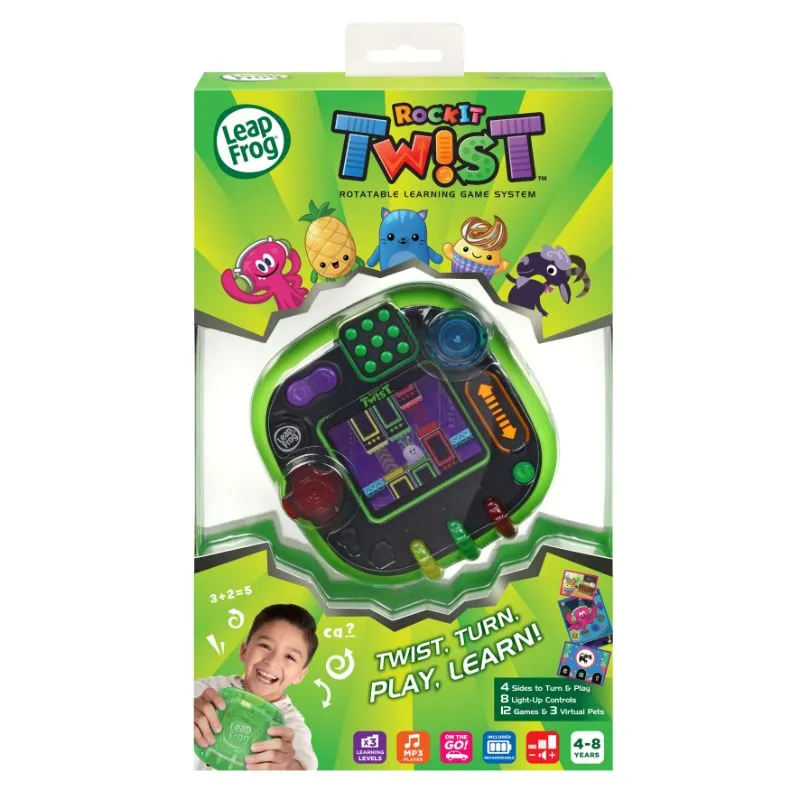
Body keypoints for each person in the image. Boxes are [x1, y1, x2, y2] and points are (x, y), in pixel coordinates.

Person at [194, 603, 319, 770]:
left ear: (300, 675)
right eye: (265, 646)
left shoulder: (291, 726)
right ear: (244, 651)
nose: (272, 661)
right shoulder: (206, 691)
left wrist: (287, 766)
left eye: (290, 657)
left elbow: (304, 766)